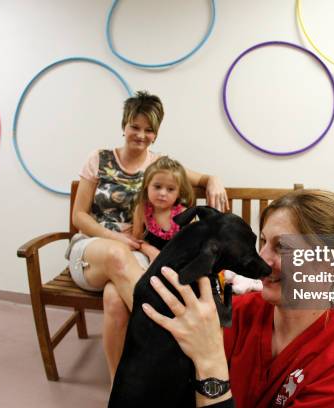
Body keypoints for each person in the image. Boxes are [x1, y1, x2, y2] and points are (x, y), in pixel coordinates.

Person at [142, 189, 334, 407]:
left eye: (281, 247)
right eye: (263, 242)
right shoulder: (238, 313)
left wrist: (209, 362)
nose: (262, 259)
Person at [66, 90, 228, 382]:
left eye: (148, 129)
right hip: (92, 252)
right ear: (124, 125)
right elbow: (79, 216)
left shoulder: (159, 165)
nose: (140, 135)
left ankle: (121, 386)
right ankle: (168, 346)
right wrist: (115, 238)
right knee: (117, 255)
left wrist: (213, 180)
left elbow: (201, 179)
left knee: (116, 298)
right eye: (135, 127)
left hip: (134, 256)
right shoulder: (99, 159)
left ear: (156, 133)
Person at [132, 156, 195, 263]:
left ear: (179, 192)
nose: (162, 193)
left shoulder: (185, 214)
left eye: (170, 189)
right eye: (157, 187)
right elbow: (137, 240)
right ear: (147, 186)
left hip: (178, 261)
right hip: (152, 258)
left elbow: (192, 248)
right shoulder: (142, 209)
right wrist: (148, 250)